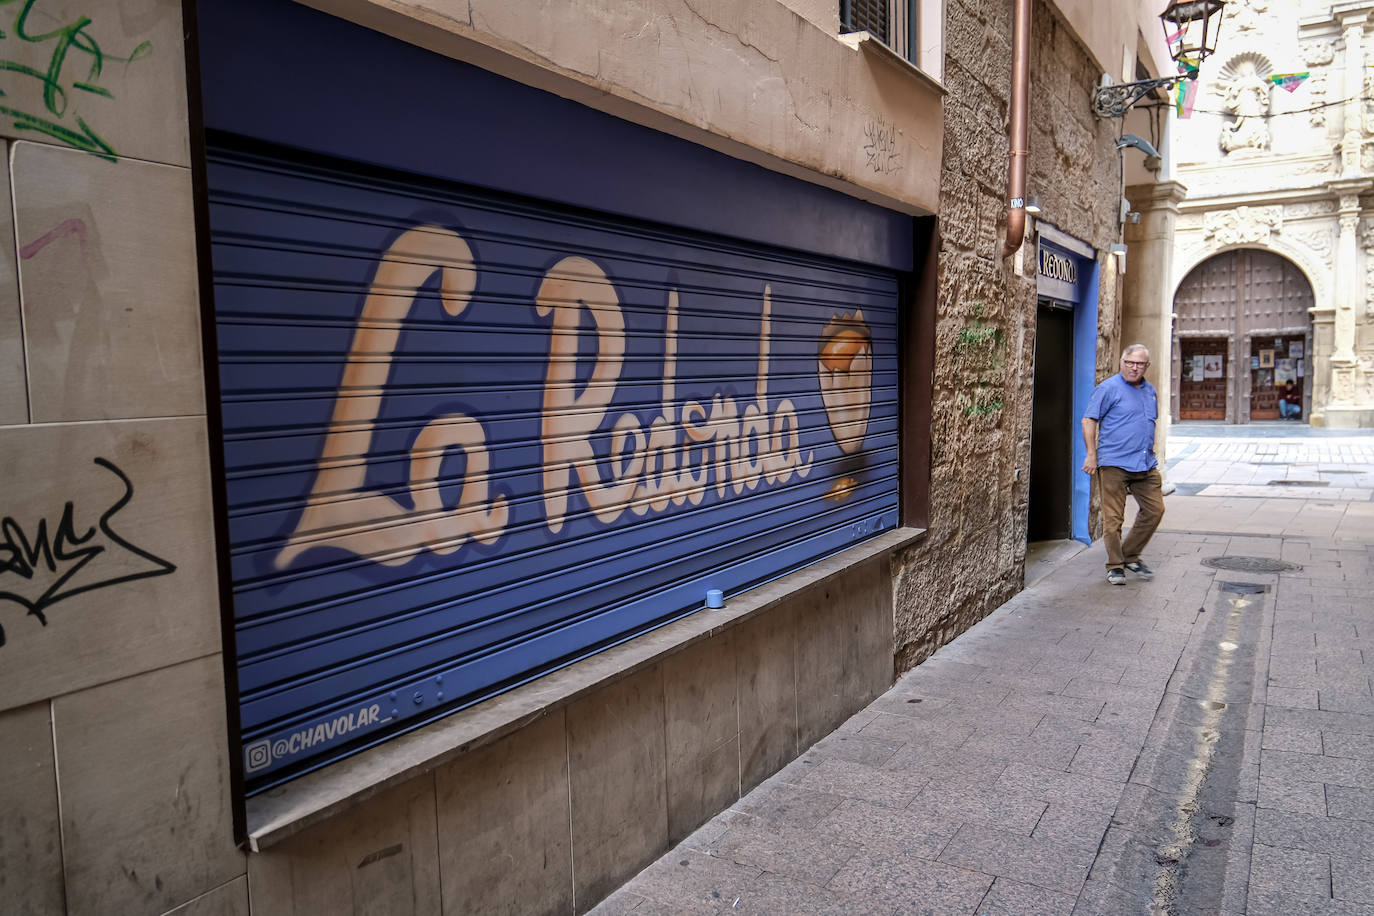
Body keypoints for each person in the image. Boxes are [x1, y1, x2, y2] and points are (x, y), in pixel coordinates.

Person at [1082, 344, 1165, 585]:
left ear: (1146, 366)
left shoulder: (1150, 391)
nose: (1134, 367)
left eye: (1139, 364)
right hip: (1114, 463)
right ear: (1122, 362)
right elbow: (1089, 420)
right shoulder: (1108, 388)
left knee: (1155, 510)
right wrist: (1091, 455)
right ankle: (1115, 565)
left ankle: (1129, 555)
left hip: (1145, 463)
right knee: (1113, 519)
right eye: (1129, 362)